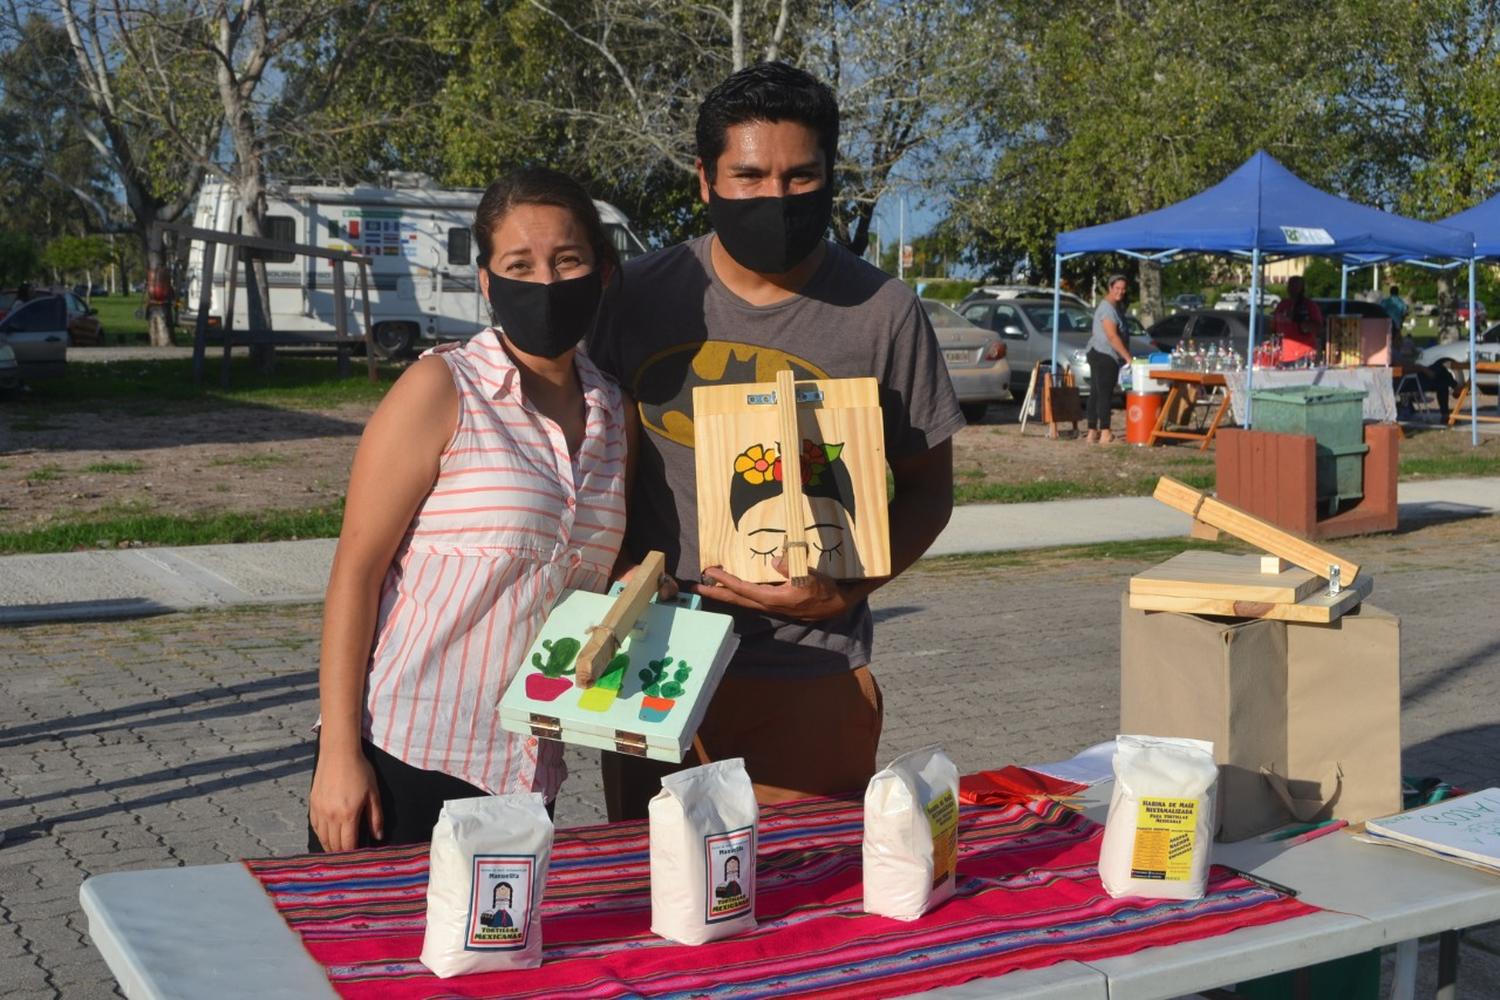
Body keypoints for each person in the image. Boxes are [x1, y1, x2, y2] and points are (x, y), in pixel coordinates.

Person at [586, 62, 963, 820]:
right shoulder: (631, 297)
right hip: (653, 664)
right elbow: (587, 467)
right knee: (659, 901)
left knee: (802, 907)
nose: (777, 197)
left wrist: (845, 594)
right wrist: (619, 572)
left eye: (801, 176)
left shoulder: (882, 312)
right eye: (750, 175)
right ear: (705, 179)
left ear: (828, 177)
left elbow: (928, 489)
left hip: (807, 669)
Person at [307, 167, 645, 853]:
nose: (546, 282)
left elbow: (590, 580)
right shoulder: (441, 388)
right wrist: (337, 755)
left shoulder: (617, 413)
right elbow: (356, 572)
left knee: (500, 962)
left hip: (528, 776)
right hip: (402, 762)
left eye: (567, 260)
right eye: (519, 264)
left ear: (603, 271)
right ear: (487, 281)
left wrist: (639, 590)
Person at [1085, 274, 1131, 444]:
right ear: (1110, 288)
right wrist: (1128, 357)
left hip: (1097, 351)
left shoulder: (1114, 306)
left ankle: (1092, 432)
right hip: (1105, 354)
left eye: (1123, 289)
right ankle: (1105, 432)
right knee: (1104, 394)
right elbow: (1112, 336)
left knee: (1096, 393)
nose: (1120, 291)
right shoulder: (1107, 308)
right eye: (1117, 288)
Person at [1271, 276, 1323, 365]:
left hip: (1303, 356)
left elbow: (1318, 328)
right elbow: (1274, 329)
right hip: (1283, 357)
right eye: (1290, 285)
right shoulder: (1282, 305)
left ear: (1302, 287)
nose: (1292, 287)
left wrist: (1297, 318)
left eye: (1296, 285)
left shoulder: (1309, 305)